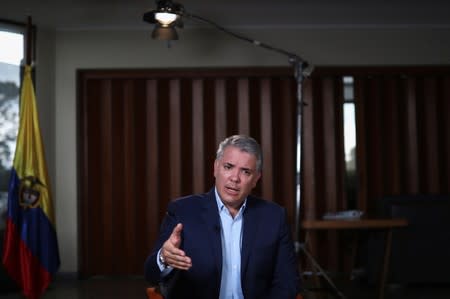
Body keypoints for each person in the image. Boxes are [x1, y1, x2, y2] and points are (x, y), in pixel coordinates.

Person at [144, 135, 300, 299]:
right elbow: (151, 275)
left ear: (255, 179)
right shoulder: (183, 211)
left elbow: (288, 282)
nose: (235, 178)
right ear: (215, 168)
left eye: (245, 171)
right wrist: (163, 258)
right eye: (228, 167)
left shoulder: (274, 217)